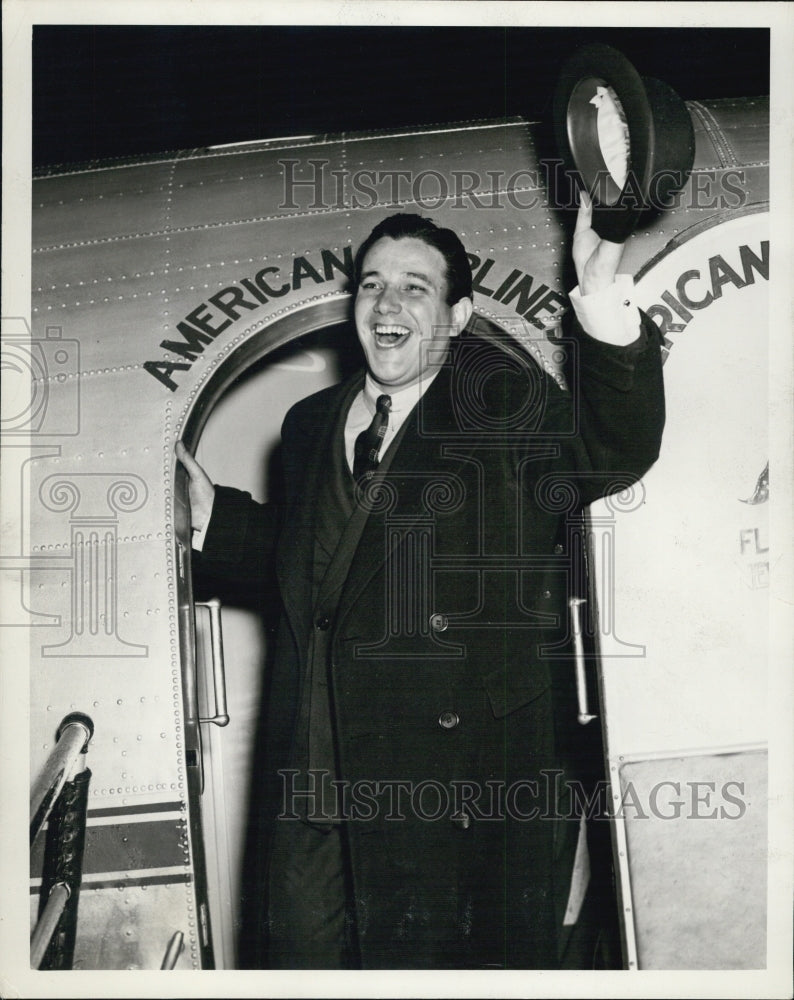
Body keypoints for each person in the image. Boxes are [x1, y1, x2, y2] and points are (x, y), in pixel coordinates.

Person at [176, 196, 665, 969]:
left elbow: (610, 448)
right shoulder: (310, 423)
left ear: (459, 314)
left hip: (447, 784)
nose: (387, 303)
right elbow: (325, 562)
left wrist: (603, 300)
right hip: (314, 769)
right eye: (371, 284)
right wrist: (214, 521)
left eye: (414, 286)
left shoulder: (501, 404)